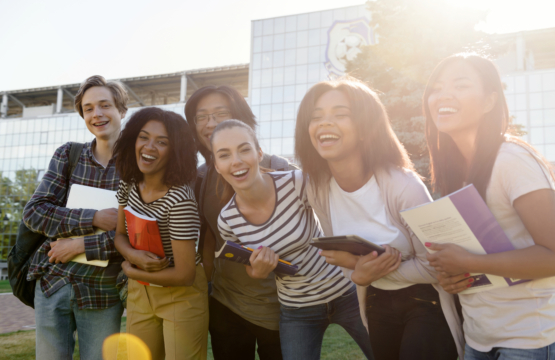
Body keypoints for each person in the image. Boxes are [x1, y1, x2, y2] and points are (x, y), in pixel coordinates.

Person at [295, 77, 465, 360]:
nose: (325, 123)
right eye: (316, 117)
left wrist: (364, 271)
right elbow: (341, 255)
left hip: (425, 300)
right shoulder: (318, 188)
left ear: (365, 128)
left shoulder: (403, 186)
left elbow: (437, 267)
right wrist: (358, 274)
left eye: (340, 114)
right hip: (375, 302)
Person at [422, 53, 555, 359]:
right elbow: (480, 256)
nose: (443, 95)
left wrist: (470, 262)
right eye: (437, 87)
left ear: (489, 101)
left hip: (528, 341)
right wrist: (453, 275)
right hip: (479, 338)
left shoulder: (512, 160)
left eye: (461, 85)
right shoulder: (454, 169)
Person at [212, 119, 373, 360]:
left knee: (386, 352)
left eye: (244, 149)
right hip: (297, 310)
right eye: (224, 155)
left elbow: (341, 215)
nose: (236, 161)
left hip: (346, 292)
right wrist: (258, 270)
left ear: (258, 153)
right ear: (216, 165)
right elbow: (252, 271)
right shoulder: (228, 220)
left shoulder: (297, 183)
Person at [184, 86, 294, 360]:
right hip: (227, 305)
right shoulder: (199, 179)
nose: (210, 122)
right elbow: (208, 240)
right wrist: (205, 292)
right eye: (202, 116)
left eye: (221, 113)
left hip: (285, 307)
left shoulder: (281, 169)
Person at [23, 75, 128, 360]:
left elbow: (135, 234)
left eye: (105, 105)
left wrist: (80, 245)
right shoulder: (69, 155)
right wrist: (93, 218)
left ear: (122, 110)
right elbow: (35, 213)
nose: (97, 114)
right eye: (89, 108)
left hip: (103, 293)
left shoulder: (137, 167)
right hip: (53, 283)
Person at [113, 107, 208, 360]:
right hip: (140, 292)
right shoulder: (128, 183)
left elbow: (185, 274)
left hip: (180, 294)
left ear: (175, 151)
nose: (149, 147)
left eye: (162, 142)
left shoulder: (180, 199)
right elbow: (119, 235)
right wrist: (133, 255)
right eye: (144, 137)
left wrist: (131, 270)